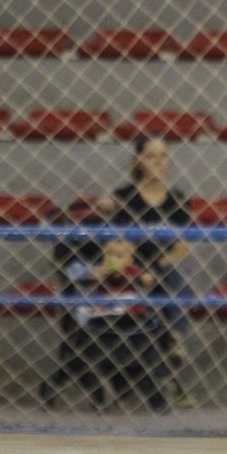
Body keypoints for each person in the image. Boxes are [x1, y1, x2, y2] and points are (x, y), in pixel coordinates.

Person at [41, 236, 175, 414]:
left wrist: (137, 276)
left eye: (120, 256)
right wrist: (102, 272)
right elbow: (87, 280)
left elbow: (148, 280)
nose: (114, 259)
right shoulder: (99, 272)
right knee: (78, 352)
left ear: (130, 258)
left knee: (145, 353)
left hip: (131, 322)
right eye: (110, 254)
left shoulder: (134, 271)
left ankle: (156, 399)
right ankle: (93, 394)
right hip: (101, 322)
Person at [105, 136, 196, 346]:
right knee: (114, 268)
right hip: (129, 266)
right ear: (138, 161)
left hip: (164, 267)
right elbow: (117, 244)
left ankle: (174, 341)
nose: (158, 162)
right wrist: (138, 271)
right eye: (151, 156)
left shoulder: (178, 199)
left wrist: (155, 270)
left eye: (163, 156)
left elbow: (181, 248)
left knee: (180, 271)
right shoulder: (123, 197)